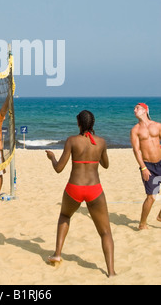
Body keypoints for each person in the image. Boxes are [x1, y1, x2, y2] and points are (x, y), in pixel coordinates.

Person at [46, 110, 116, 278]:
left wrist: (52, 158)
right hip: (94, 189)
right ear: (93, 124)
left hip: (74, 187)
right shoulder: (101, 142)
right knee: (105, 232)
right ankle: (111, 272)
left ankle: (57, 253)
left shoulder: (72, 141)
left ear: (78, 123)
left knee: (64, 215)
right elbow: (106, 165)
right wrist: (98, 153)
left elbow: (58, 168)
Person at [130, 102, 161, 230]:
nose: (134, 110)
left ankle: (160, 216)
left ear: (145, 110)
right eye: (134, 108)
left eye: (137, 108)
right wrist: (143, 167)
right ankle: (142, 224)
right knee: (151, 197)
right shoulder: (135, 130)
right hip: (148, 166)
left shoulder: (158, 126)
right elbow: (136, 150)